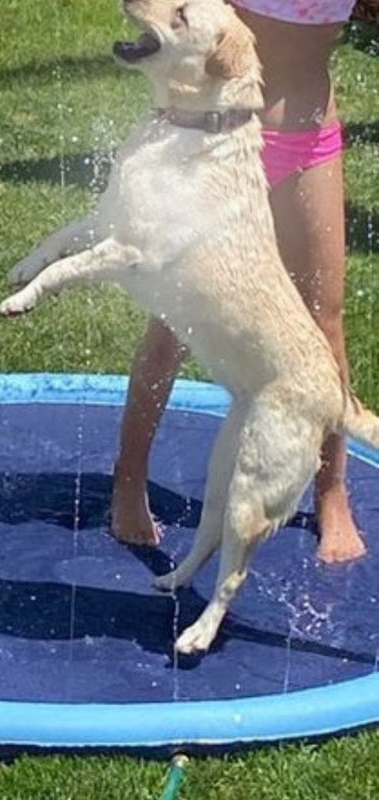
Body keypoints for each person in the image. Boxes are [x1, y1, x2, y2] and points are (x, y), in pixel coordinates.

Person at [111, 0, 366, 563]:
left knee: (323, 322)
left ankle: (332, 492)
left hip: (309, 136)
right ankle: (128, 482)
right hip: (218, 138)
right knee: (179, 317)